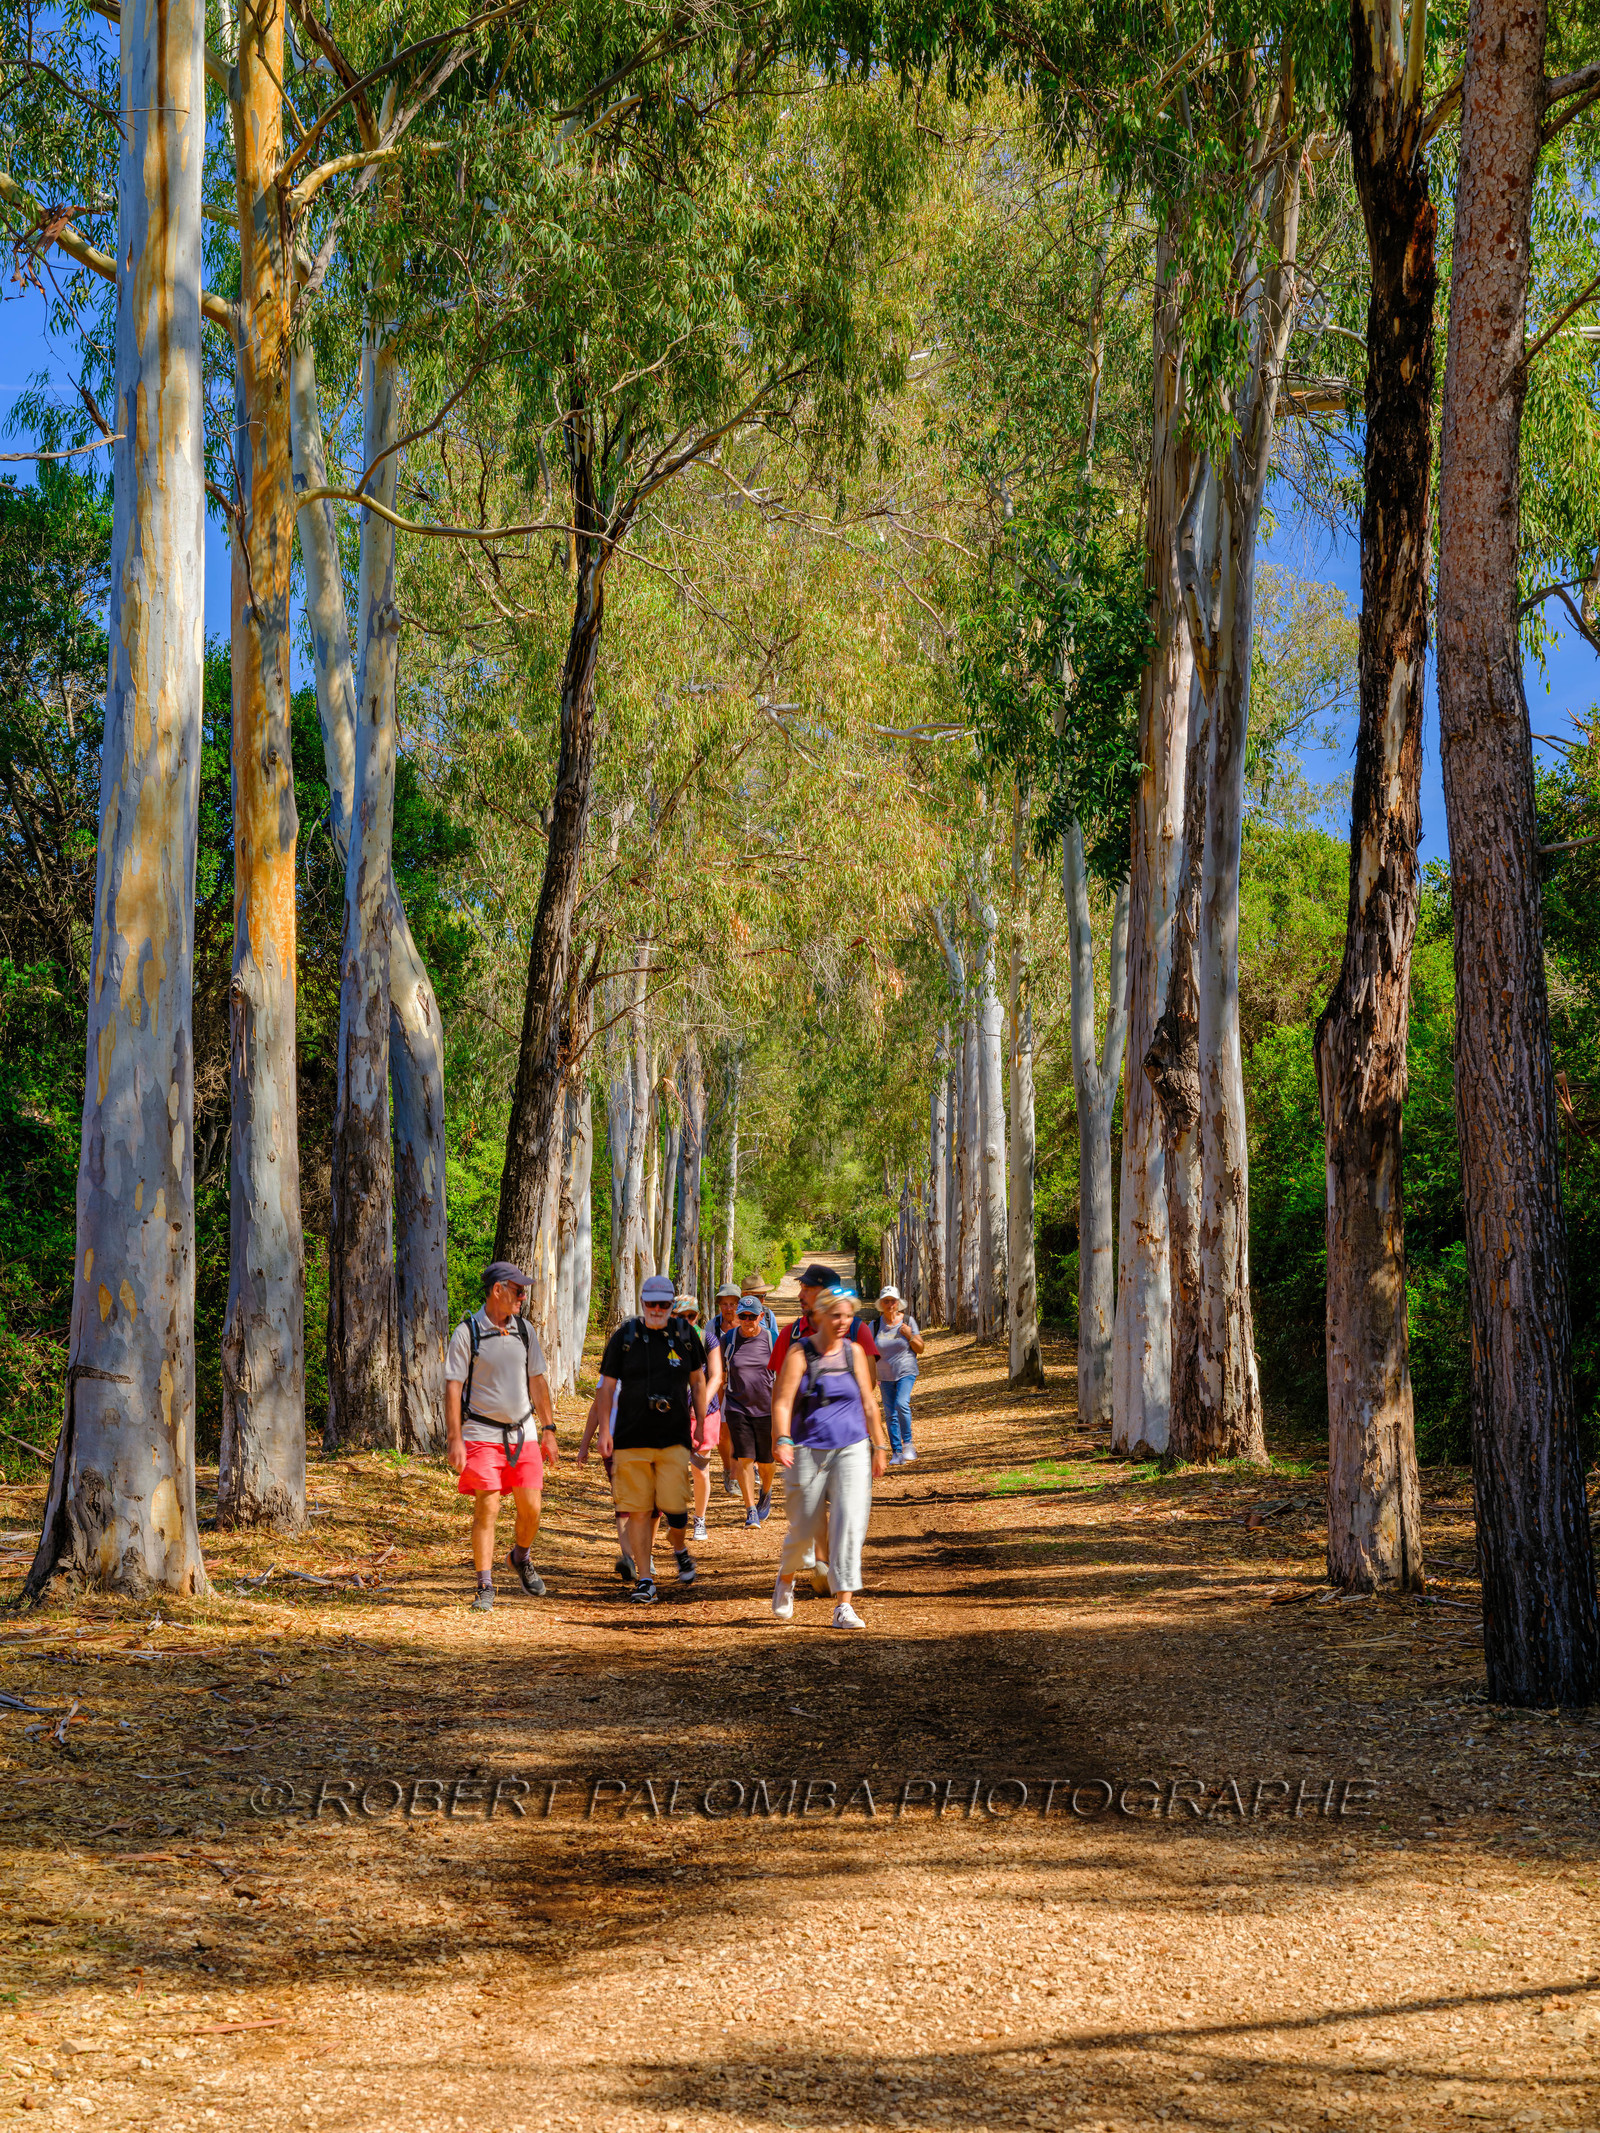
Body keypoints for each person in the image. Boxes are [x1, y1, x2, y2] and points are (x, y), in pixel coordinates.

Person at [769, 1287, 889, 1629]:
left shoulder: (853, 1352)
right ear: (818, 1316)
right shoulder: (800, 1353)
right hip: (807, 1446)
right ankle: (787, 1576)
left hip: (852, 1447)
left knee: (849, 1523)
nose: (843, 1322)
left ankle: (843, 1605)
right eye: (836, 1315)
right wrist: (783, 1438)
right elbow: (781, 1401)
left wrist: (879, 1446)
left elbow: (868, 1402)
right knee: (805, 1528)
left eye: (848, 1316)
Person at [445, 1261, 559, 1613]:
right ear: (498, 1290)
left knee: (532, 1509)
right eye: (518, 1290)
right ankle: (484, 1585)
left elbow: (537, 1381)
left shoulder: (525, 1331)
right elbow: (453, 1387)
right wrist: (454, 1438)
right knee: (488, 1506)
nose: (523, 1297)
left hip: (522, 1434)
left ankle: (520, 1556)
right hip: (480, 1433)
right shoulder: (468, 1332)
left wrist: (549, 1429)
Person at [594, 1272, 709, 1604]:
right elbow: (606, 1387)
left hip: (673, 1436)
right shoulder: (624, 1337)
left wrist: (700, 1423)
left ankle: (680, 1548)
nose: (657, 1309)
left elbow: (698, 1382)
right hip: (631, 1438)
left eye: (664, 1304)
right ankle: (645, 1579)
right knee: (640, 1510)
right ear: (642, 1303)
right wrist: (604, 1430)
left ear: (671, 1305)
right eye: (651, 1303)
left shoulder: (686, 1334)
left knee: (675, 1507)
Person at [679, 1291, 729, 1541]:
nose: (687, 1320)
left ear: (698, 1316)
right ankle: (675, 1519)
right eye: (681, 1316)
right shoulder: (664, 1340)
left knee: (700, 1469)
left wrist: (699, 1405)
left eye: (692, 1315)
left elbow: (717, 1376)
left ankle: (700, 1519)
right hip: (671, 1414)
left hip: (705, 1413)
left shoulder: (708, 1339)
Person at [723, 1295, 775, 1526]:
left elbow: (783, 1374)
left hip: (766, 1408)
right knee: (745, 1458)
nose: (747, 1321)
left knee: (765, 1462)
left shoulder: (771, 1338)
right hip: (737, 1407)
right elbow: (720, 1374)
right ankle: (751, 1509)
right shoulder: (729, 1340)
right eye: (742, 1316)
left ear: (761, 1317)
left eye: (752, 1317)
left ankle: (766, 1491)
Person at [872, 1284, 925, 1465]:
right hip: (884, 1375)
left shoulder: (908, 1322)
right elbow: (870, 1353)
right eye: (885, 1301)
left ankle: (908, 1444)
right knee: (889, 1413)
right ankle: (896, 1452)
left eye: (892, 1301)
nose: (889, 1305)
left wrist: (909, 1335)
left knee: (901, 1403)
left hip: (905, 1371)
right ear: (881, 1304)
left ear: (898, 1303)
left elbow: (921, 1348)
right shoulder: (874, 1325)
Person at [739, 1273, 780, 1346]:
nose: (763, 1300)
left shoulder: (768, 1314)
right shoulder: (734, 1315)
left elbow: (776, 1344)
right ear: (745, 1294)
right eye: (758, 1296)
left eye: (764, 1296)